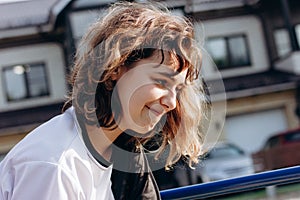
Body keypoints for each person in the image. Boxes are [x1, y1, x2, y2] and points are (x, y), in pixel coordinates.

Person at [0, 1, 205, 199]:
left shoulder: (115, 152)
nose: (171, 102)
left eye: (177, 89)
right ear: (115, 67)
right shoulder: (56, 166)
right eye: (160, 81)